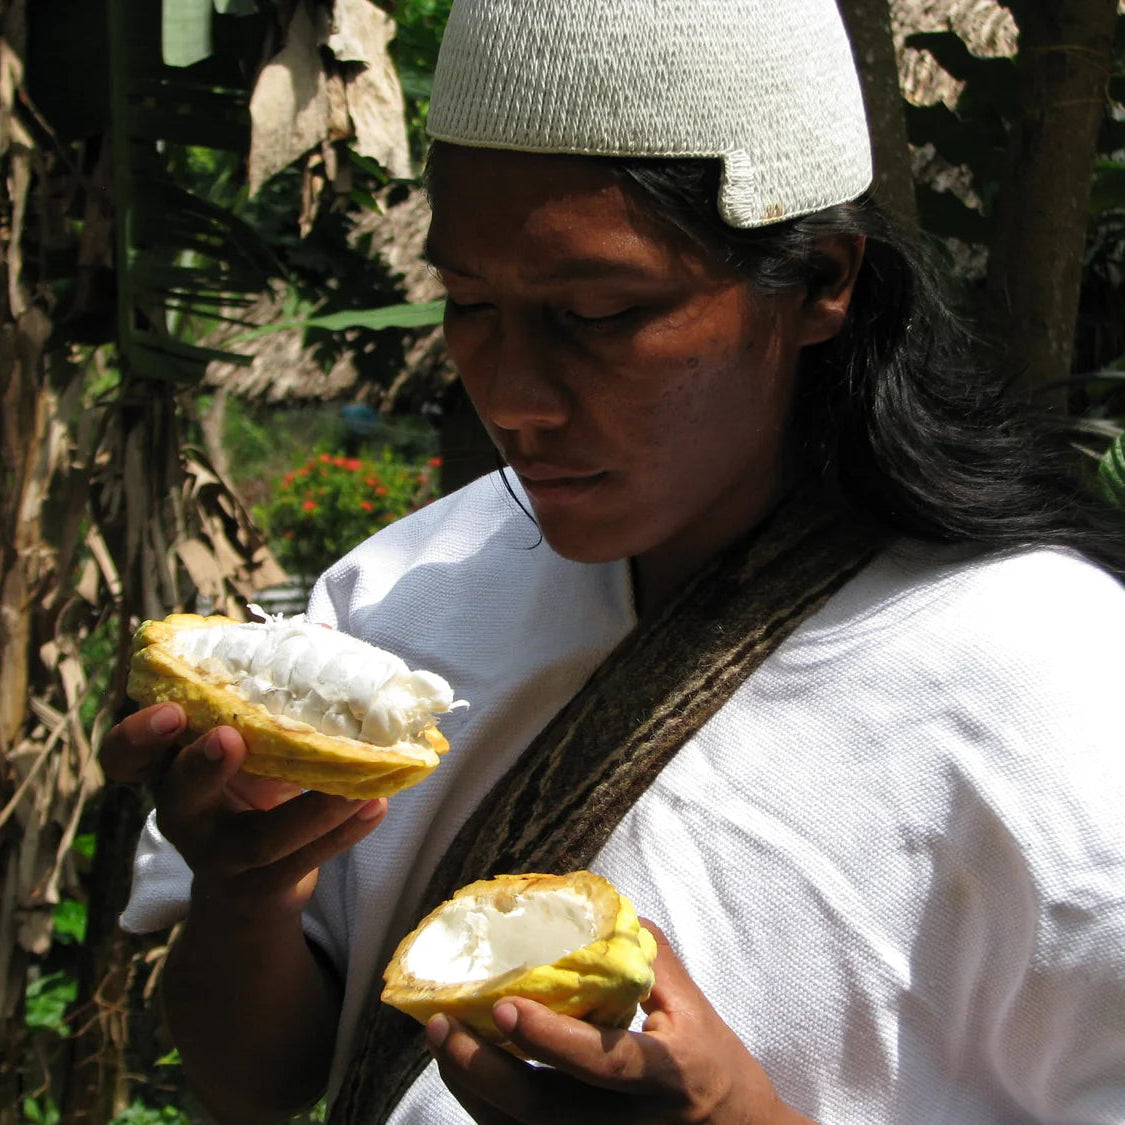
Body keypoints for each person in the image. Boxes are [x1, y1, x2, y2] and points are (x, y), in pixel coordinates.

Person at [102, 1, 1125, 1123]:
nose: (511, 397)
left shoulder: (1056, 697)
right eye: (470, 304)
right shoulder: (398, 602)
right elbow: (255, 1083)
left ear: (823, 281)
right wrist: (248, 891)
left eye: (597, 311)